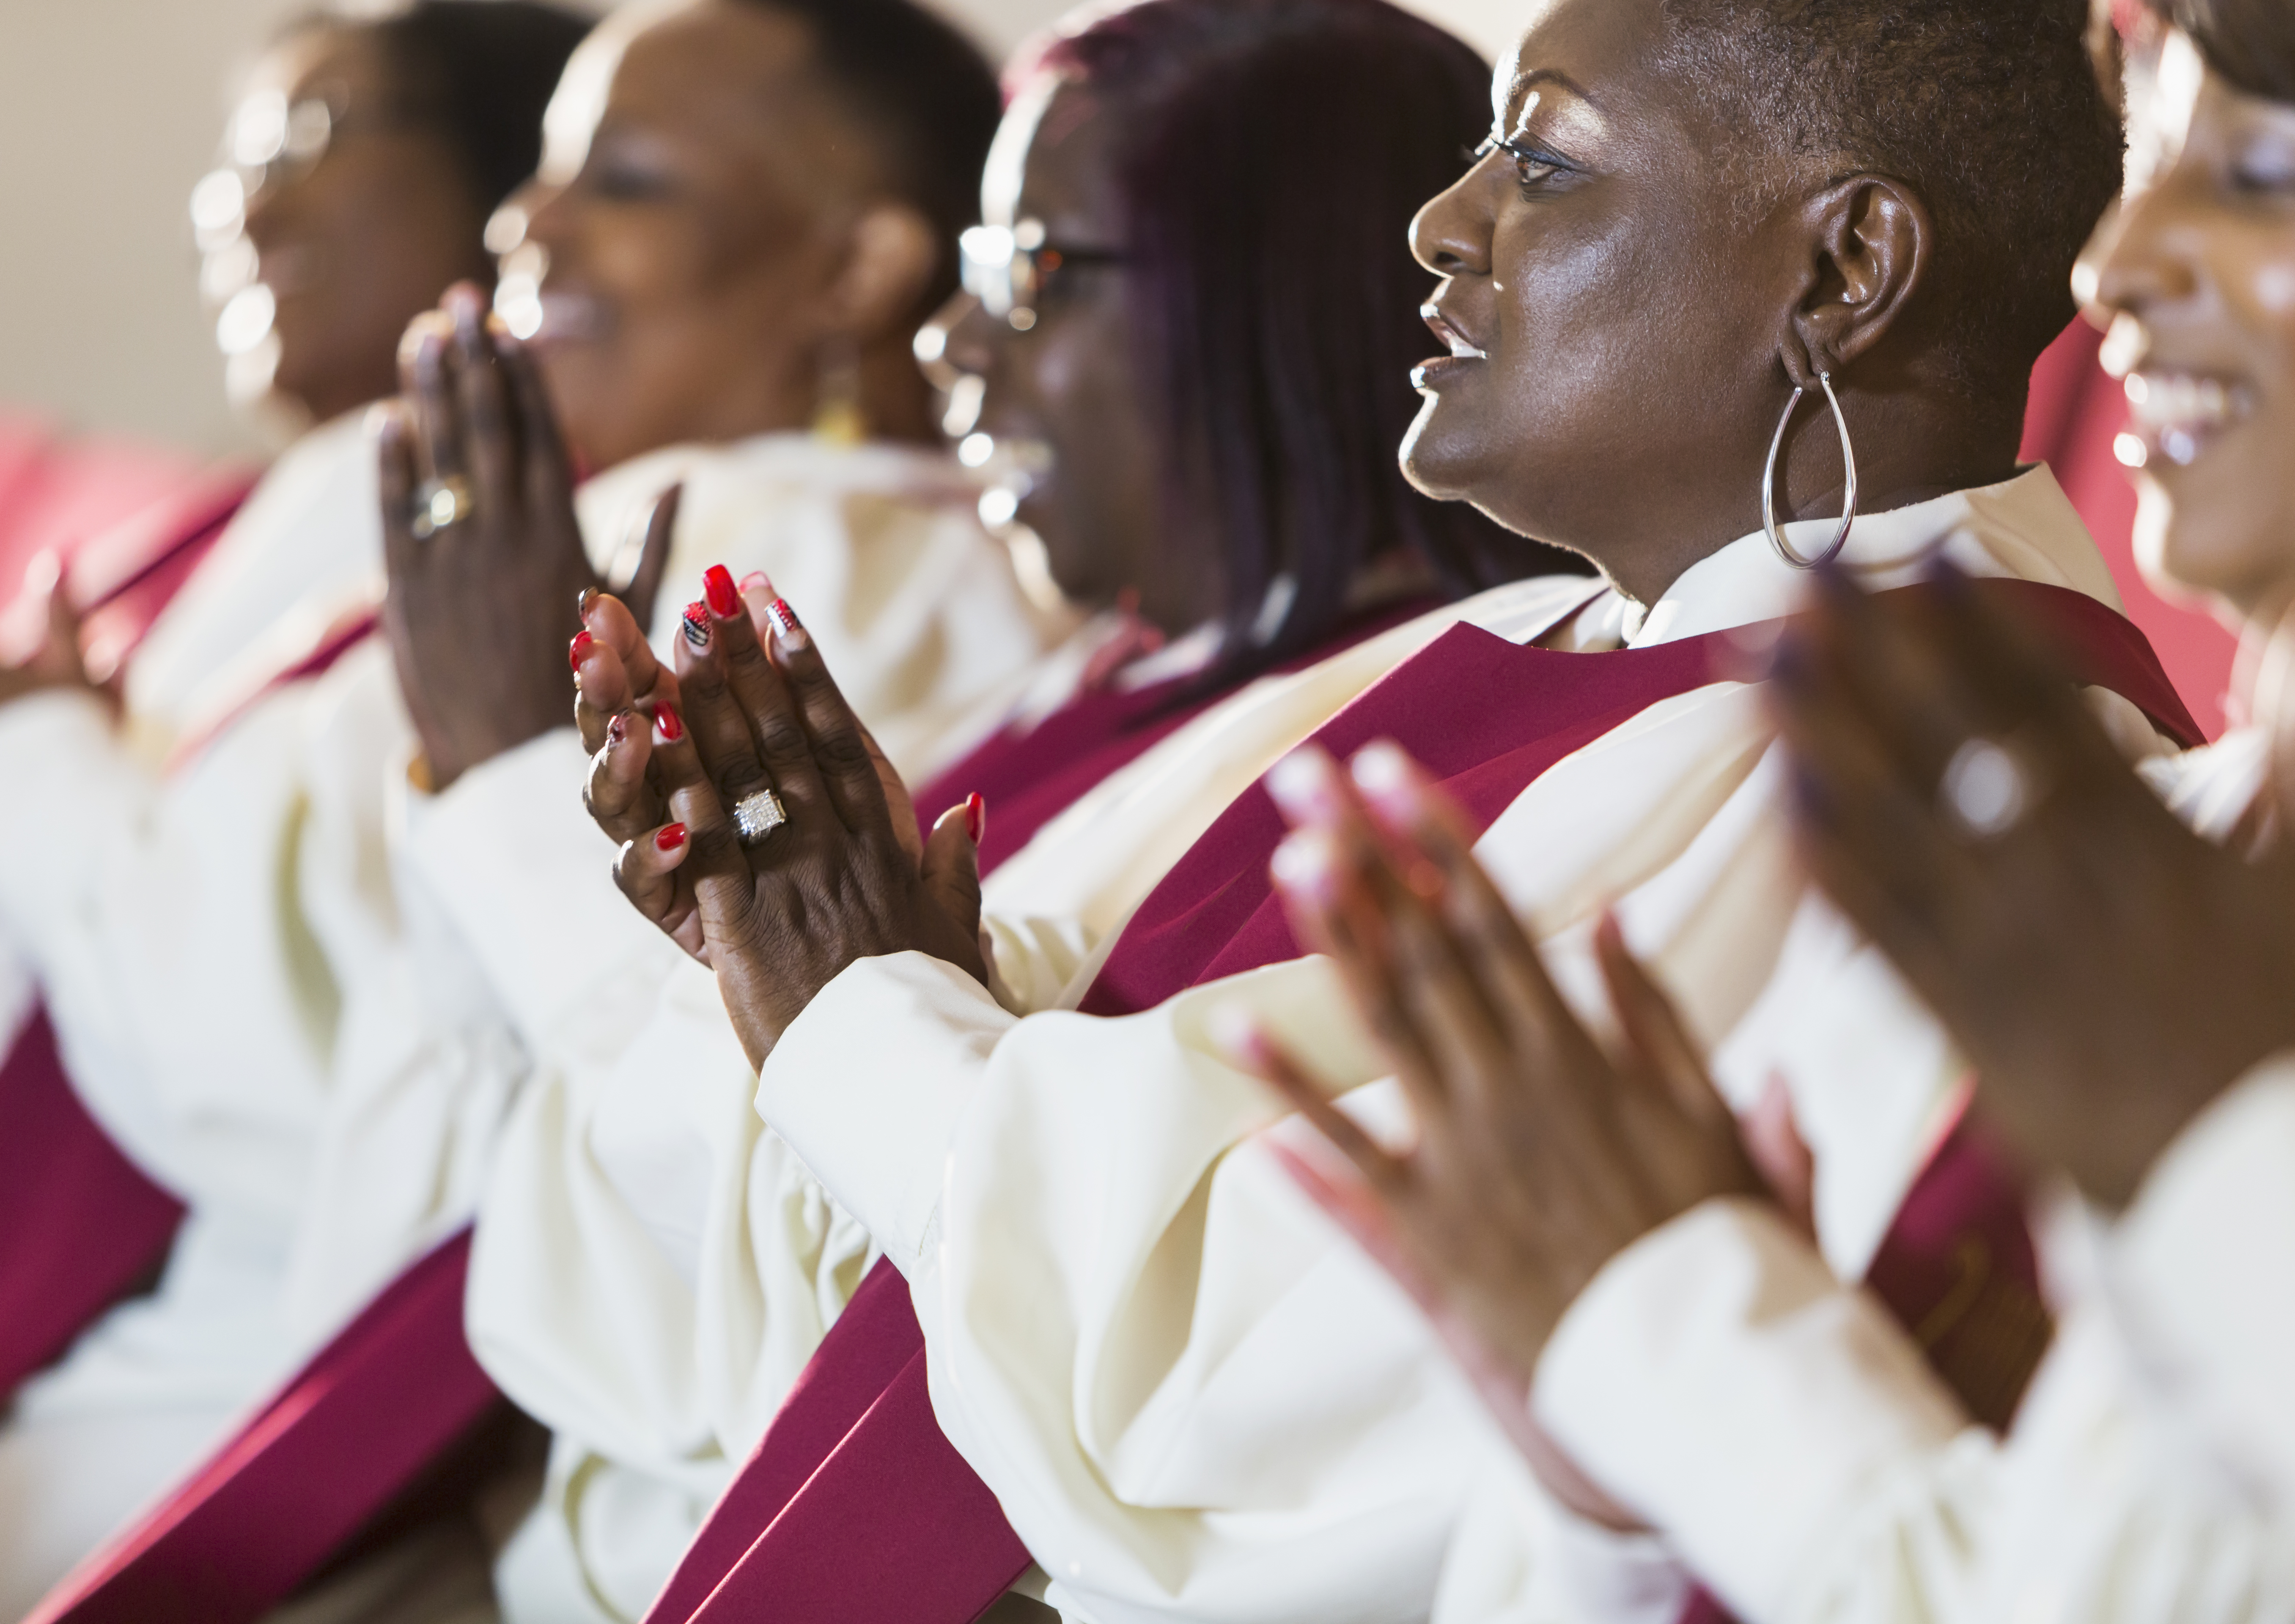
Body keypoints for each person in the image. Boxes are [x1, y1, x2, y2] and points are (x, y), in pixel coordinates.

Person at [562, 0, 2183, 1617]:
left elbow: (1292, 1386)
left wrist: (862, 1015)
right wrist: (814, 953)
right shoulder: (1554, 648)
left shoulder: (1938, 797)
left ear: (1843, 274)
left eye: (1543, 161)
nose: (1442, 221)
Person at [457, 1, 1557, 1616]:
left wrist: (826, 1003)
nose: (953, 347)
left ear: (1264, 287)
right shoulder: (1104, 677)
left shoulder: (1401, 749)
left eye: (1025, 276)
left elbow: (1056, 1322)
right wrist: (768, 966)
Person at [1231, 5, 2295, 1619]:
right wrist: (1611, 1450)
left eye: (2267, 168)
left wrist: (1670, 1332)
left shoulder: (2004, 795)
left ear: (1848, 267)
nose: (2114, 266)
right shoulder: (2177, 845)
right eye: (2158, 162)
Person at [0, 7, 587, 1620]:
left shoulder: (524, 551)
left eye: (320, 144)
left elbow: (256, 1050)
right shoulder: (247, 523)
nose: (248, 207)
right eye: (244, 156)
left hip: (227, 1312)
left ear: (507, 183)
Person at [356, 2, 1073, 1617]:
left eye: (624, 176)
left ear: (860, 268)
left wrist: (495, 774)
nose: (525, 225)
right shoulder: (655, 523)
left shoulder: (807, 564)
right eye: (544, 167)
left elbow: (716, 1146)